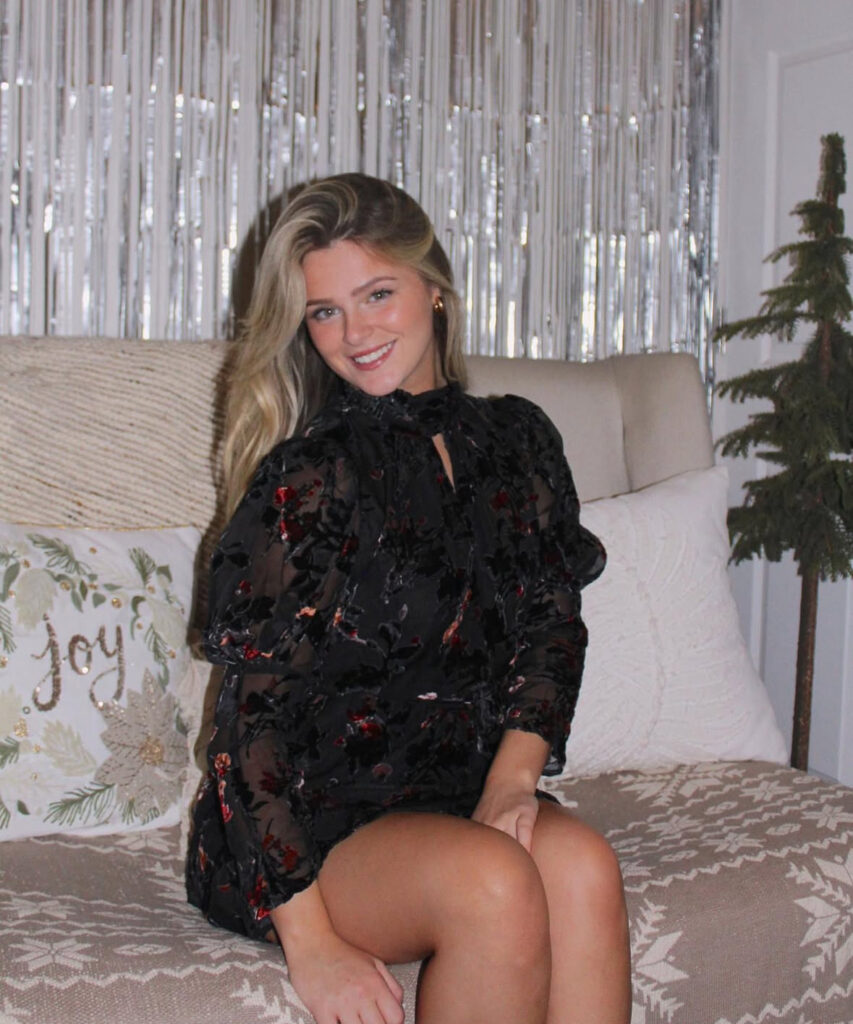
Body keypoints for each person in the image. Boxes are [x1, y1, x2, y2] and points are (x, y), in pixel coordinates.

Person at [186, 173, 631, 1024]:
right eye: (324, 312)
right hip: (319, 826)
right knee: (493, 883)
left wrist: (512, 781)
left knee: (582, 868)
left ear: (434, 285)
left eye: (377, 293)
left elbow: (550, 626)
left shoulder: (518, 439)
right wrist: (313, 947)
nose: (354, 334)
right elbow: (248, 730)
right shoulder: (310, 476)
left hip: (457, 791)